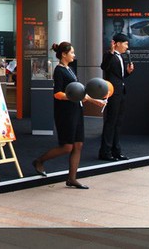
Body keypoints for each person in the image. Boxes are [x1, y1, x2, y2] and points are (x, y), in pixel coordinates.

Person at [32, 42, 106, 189]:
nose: (74, 55)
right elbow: (57, 93)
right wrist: (72, 97)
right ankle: (39, 161)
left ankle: (72, 178)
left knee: (78, 145)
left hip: (76, 109)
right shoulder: (59, 70)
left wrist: (95, 101)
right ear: (64, 54)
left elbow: (79, 92)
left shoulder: (70, 69)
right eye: (71, 52)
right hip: (65, 112)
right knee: (67, 147)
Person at [98, 33, 134, 161]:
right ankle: (105, 152)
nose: (127, 47)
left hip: (121, 92)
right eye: (125, 44)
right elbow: (104, 67)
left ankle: (116, 151)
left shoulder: (121, 57)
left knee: (118, 122)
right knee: (111, 122)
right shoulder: (110, 55)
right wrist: (111, 52)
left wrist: (128, 73)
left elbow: (119, 77)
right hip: (113, 93)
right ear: (117, 43)